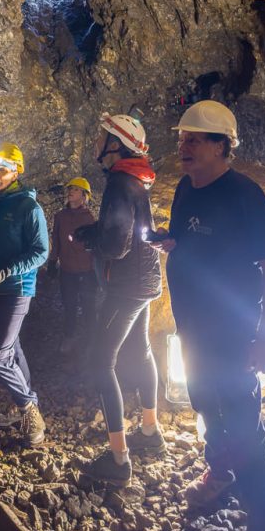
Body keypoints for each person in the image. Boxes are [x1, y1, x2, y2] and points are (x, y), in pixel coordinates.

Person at [154, 100, 265, 531]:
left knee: (243, 423)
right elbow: (186, 238)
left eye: (194, 140)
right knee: (205, 403)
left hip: (232, 335)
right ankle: (221, 471)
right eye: (182, 139)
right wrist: (169, 242)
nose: (183, 146)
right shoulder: (185, 187)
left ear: (221, 146)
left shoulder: (246, 196)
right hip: (192, 328)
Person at [75, 112, 164, 485]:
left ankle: (118, 460)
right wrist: (96, 230)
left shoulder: (118, 183)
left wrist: (91, 241)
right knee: (140, 351)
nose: (97, 142)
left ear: (116, 144)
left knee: (101, 362)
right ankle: (150, 432)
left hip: (126, 286)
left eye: (102, 137)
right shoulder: (135, 181)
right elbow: (128, 227)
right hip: (146, 281)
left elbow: (115, 246)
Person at [0, 142, 49, 446]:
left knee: (0, 357)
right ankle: (25, 407)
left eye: (3, 169)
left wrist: (7, 270)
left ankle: (30, 412)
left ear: (16, 172)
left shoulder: (29, 208)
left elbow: (41, 251)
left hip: (18, 289)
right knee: (13, 348)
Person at [46, 177, 97, 355]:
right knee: (69, 306)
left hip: (87, 271)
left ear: (84, 195)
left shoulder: (89, 218)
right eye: (70, 189)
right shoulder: (60, 216)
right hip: (67, 271)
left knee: (89, 306)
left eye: (75, 189)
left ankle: (92, 341)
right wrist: (52, 261)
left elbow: (94, 246)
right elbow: (56, 240)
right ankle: (70, 337)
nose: (70, 192)